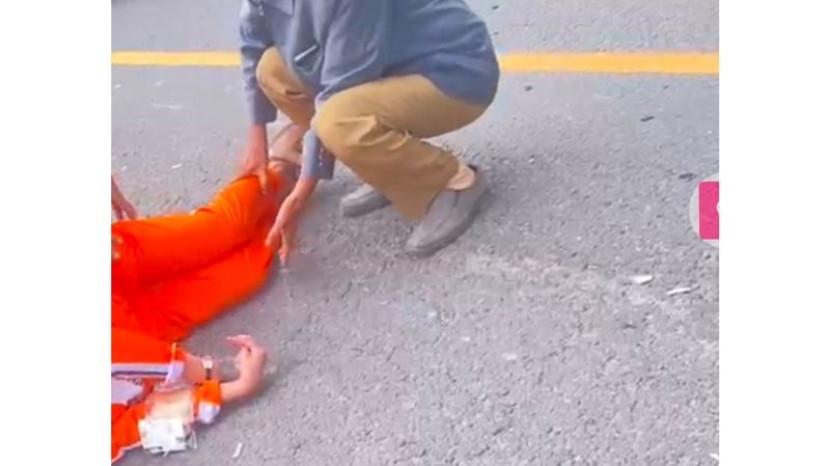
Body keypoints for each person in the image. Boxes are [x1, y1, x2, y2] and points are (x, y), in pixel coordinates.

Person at [238, 0, 500, 258]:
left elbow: (338, 90)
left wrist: (300, 192)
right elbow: (253, 44)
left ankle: (455, 182)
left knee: (338, 123)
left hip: (454, 71)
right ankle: (387, 169)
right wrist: (257, 142)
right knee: (272, 70)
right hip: (385, 60)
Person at [110, 159, 294, 462]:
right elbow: (129, 431)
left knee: (227, 228)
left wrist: (211, 373)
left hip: (114, 269)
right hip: (146, 327)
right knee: (250, 269)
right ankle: (291, 193)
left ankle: (285, 166)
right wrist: (236, 389)